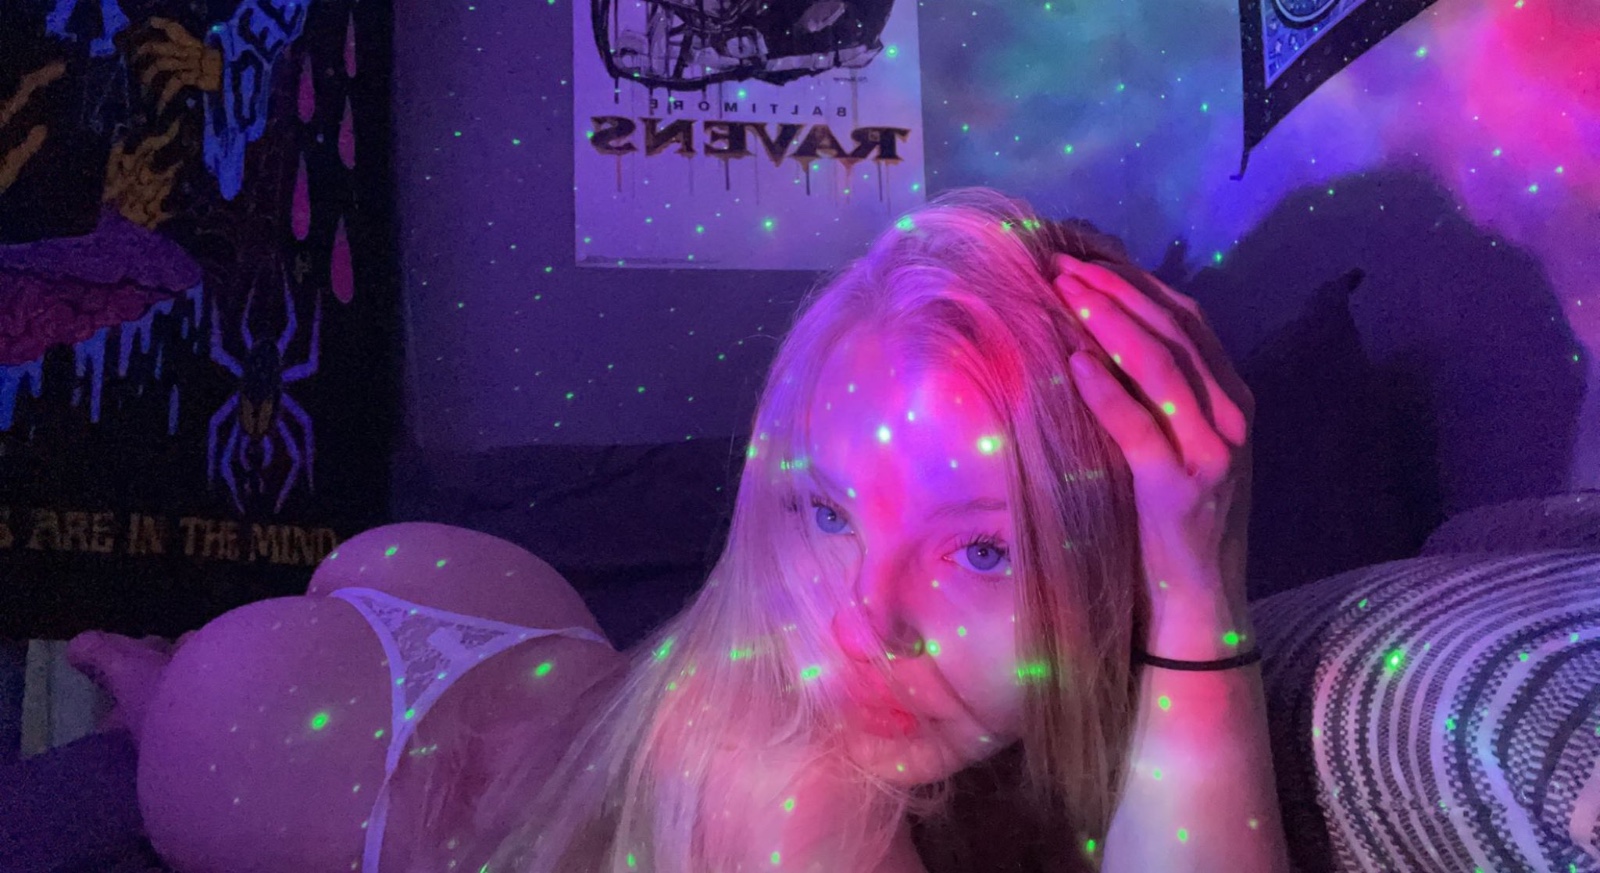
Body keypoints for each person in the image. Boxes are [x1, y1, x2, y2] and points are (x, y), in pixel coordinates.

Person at [69, 187, 1289, 872]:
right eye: (826, 511)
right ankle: (134, 669)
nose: (865, 623)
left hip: (510, 620)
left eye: (981, 548)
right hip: (307, 736)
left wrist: (1187, 550)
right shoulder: (801, 805)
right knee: (154, 691)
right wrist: (1200, 594)